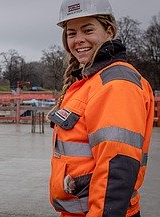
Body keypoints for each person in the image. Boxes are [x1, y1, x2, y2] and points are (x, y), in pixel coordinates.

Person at [48, 0, 154, 216]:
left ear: (109, 31)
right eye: (71, 33)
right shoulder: (91, 82)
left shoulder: (116, 84)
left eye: (88, 30)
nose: (79, 40)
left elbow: (116, 167)